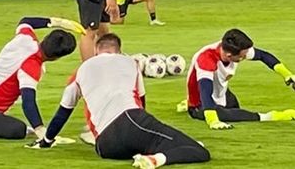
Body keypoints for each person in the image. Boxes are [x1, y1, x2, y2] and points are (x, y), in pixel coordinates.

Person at [27, 33, 210, 169]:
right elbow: (141, 102)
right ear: (118, 50)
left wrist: (46, 141)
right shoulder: (130, 63)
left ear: (97, 50)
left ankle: (152, 153)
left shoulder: (81, 70)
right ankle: (154, 160)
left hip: (105, 147)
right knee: (198, 150)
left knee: (168, 144)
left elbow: (62, 113)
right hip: (130, 121)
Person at [182, 29, 295, 130]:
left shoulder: (232, 49)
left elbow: (264, 56)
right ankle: (269, 116)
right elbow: (205, 90)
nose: (246, 56)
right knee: (231, 115)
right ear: (230, 55)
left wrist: (288, 75)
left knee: (234, 108)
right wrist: (213, 121)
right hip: (199, 103)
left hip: (221, 93)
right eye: (243, 56)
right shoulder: (206, 59)